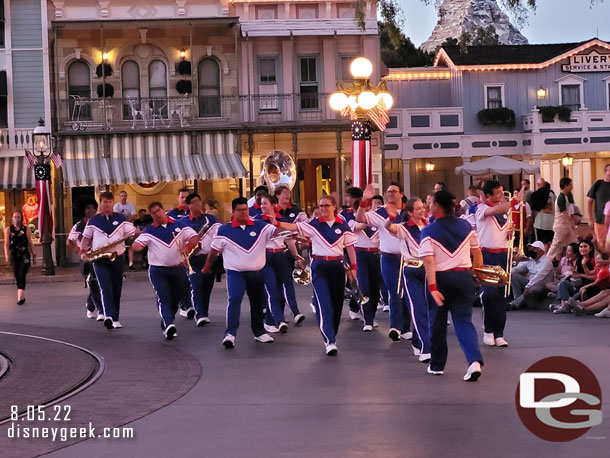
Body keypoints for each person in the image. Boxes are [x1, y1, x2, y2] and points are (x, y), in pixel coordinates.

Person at [272, 195, 357, 355]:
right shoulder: (314, 224)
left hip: (337, 266)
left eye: (326, 206)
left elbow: (351, 248)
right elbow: (293, 227)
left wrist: (354, 268)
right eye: (321, 206)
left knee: (337, 305)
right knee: (324, 303)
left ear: (334, 207)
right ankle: (330, 340)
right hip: (319, 267)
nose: (323, 209)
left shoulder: (343, 225)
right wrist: (276, 222)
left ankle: (331, 333)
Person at [420, 190, 484, 382]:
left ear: (438, 206)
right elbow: (477, 253)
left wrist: (432, 287)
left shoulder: (428, 230)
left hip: (440, 279)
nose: (428, 207)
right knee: (464, 322)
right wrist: (477, 274)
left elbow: (429, 262)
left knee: (437, 323)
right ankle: (474, 361)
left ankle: (437, 365)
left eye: (430, 203)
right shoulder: (466, 225)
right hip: (464, 277)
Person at [202, 197, 277, 348]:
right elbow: (214, 251)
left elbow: (277, 231)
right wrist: (207, 266)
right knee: (235, 300)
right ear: (234, 211)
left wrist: (275, 218)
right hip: (235, 273)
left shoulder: (260, 226)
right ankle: (230, 334)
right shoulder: (224, 230)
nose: (244, 213)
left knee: (258, 302)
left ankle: (259, 331)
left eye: (246, 210)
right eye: (240, 210)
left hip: (256, 272)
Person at [132, 202, 199, 339]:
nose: (157, 214)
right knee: (164, 297)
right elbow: (137, 244)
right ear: (151, 215)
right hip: (158, 270)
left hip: (178, 268)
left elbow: (194, 237)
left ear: (163, 210)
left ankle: (168, 322)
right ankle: (169, 324)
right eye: (154, 213)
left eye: (158, 211)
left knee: (174, 299)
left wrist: (189, 246)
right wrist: (136, 245)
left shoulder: (179, 225)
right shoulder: (149, 230)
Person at [357, 182, 411, 342]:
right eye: (388, 192)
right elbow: (359, 218)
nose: (390, 194)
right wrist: (364, 201)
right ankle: (395, 327)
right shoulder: (380, 212)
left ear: (401, 193)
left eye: (394, 191)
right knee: (394, 291)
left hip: (408, 258)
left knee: (406, 292)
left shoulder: (409, 212)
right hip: (388, 257)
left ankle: (406, 326)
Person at [476, 180, 524, 347]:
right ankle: (488, 329)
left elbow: (506, 227)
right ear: (488, 195)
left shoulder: (505, 211)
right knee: (489, 294)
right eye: (498, 193)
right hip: (487, 255)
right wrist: (515, 201)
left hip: (503, 255)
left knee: (501, 296)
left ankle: (499, 333)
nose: (501, 195)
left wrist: (510, 233)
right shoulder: (481, 208)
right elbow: (495, 210)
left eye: (502, 191)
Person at [81, 192, 137, 330]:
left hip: (117, 257)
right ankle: (108, 316)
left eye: (110, 202)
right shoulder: (93, 221)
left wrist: (137, 233)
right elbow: (85, 241)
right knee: (105, 287)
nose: (107, 205)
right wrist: (84, 253)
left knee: (116, 288)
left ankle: (115, 317)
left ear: (113, 203)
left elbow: (132, 233)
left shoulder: (121, 218)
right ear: (100, 203)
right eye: (105, 202)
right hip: (100, 259)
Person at [386, 197, 433, 362]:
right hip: (411, 270)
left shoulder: (430, 226)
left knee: (428, 309)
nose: (422, 211)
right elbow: (389, 228)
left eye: (423, 208)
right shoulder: (404, 228)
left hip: (428, 270)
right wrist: (390, 217)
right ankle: (425, 347)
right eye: (418, 208)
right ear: (410, 212)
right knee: (418, 307)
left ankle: (416, 340)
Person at [255, 193, 306, 334]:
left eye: (265, 203)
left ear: (273, 205)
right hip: (265, 256)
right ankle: (279, 320)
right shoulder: (258, 221)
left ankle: (290, 314)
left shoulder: (281, 220)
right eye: (261, 204)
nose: (262, 206)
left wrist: (296, 256)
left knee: (285, 285)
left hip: (280, 255)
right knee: (271, 289)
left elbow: (289, 240)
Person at [178, 193, 221, 326]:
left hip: (208, 257)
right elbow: (179, 240)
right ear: (189, 205)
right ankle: (200, 314)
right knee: (196, 285)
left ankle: (205, 312)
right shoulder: (183, 222)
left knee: (207, 287)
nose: (198, 204)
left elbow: (219, 233)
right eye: (194, 202)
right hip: (193, 259)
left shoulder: (210, 219)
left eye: (199, 201)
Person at [342, 187, 381, 330]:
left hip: (376, 255)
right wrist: (370, 219)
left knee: (375, 289)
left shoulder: (375, 216)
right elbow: (356, 227)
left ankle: (370, 314)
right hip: (360, 254)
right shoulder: (348, 217)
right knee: (364, 288)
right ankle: (368, 320)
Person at [67, 199, 103, 320]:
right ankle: (101, 309)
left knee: (97, 283)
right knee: (93, 281)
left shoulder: (98, 222)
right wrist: (80, 249)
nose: (91, 210)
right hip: (86, 257)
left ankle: (90, 305)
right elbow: (70, 241)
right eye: (88, 208)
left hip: (98, 255)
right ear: (83, 210)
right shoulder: (79, 225)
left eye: (93, 208)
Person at [166, 187, 195, 318]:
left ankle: (187, 305)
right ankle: (185, 305)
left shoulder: (194, 213)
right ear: (178, 199)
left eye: (186, 197)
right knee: (181, 281)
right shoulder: (171, 214)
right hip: (177, 252)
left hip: (192, 251)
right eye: (182, 197)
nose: (184, 200)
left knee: (190, 281)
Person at [552, 239, 596, 314]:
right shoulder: (579, 260)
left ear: (590, 248)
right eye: (581, 247)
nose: (582, 249)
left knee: (574, 298)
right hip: (578, 284)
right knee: (563, 283)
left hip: (589, 286)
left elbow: (594, 277)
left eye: (585, 246)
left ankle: (564, 306)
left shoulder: (593, 260)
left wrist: (581, 273)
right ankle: (563, 305)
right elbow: (576, 274)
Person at [508, 241, 554, 310]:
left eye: (534, 249)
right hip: (530, 282)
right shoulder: (531, 260)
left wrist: (528, 286)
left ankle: (514, 304)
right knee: (513, 274)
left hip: (541, 285)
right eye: (532, 248)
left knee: (532, 289)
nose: (532, 250)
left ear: (541, 251)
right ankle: (517, 300)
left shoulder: (547, 262)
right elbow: (517, 270)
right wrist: (516, 261)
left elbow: (539, 276)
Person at [4, 211, 36, 305]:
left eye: (18, 217)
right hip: (14, 255)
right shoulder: (8, 230)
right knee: (17, 275)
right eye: (14, 217)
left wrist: (34, 255)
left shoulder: (25, 229)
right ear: (12, 218)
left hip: (24, 255)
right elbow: (6, 243)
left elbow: (30, 243)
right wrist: (6, 255)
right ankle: (21, 294)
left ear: (21, 218)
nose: (16, 219)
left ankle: (19, 297)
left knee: (22, 273)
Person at [546, 177, 578, 262]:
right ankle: (545, 262)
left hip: (565, 226)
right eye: (570, 185)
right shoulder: (561, 197)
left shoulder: (565, 196)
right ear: (565, 186)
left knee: (572, 244)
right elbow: (563, 212)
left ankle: (569, 263)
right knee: (556, 246)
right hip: (562, 226)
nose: (572, 187)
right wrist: (572, 223)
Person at [372, 195, 389, 311]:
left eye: (379, 202)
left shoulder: (384, 217)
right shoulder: (370, 218)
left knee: (383, 277)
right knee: (373, 279)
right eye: (375, 202)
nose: (377, 204)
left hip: (381, 251)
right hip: (368, 253)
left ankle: (386, 300)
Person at [587, 164, 610, 250]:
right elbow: (589, 202)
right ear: (605, 172)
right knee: (601, 243)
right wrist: (590, 219)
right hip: (600, 220)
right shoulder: (598, 184)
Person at [113, 190, 137, 270]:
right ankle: (119, 264)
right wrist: (126, 217)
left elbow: (134, 215)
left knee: (130, 245)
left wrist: (126, 217)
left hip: (129, 228)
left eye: (125, 196)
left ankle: (131, 263)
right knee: (119, 245)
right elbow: (116, 217)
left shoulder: (130, 205)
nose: (123, 197)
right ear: (120, 197)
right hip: (119, 229)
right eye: (122, 196)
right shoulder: (116, 206)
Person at [532, 179, 555, 244]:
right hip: (551, 223)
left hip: (539, 223)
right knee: (550, 242)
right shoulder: (552, 194)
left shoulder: (536, 195)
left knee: (540, 243)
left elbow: (533, 208)